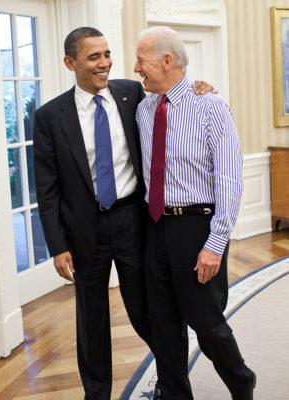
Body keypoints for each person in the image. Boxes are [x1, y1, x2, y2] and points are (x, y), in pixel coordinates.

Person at [33, 26, 214, 400]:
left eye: (107, 54)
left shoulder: (132, 94)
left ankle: (173, 386)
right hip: (84, 232)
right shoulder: (50, 116)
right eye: (93, 57)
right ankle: (96, 394)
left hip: (133, 222)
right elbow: (47, 189)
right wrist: (57, 245)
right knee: (92, 322)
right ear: (70, 63)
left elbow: (172, 89)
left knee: (151, 313)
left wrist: (199, 87)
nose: (106, 63)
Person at [134, 26, 256, 400]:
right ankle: (173, 392)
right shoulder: (142, 109)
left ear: (167, 60)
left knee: (206, 322)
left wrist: (215, 243)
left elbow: (230, 180)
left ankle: (241, 381)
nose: (136, 68)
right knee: (163, 324)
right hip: (154, 227)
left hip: (196, 227)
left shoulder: (211, 106)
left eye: (142, 60)